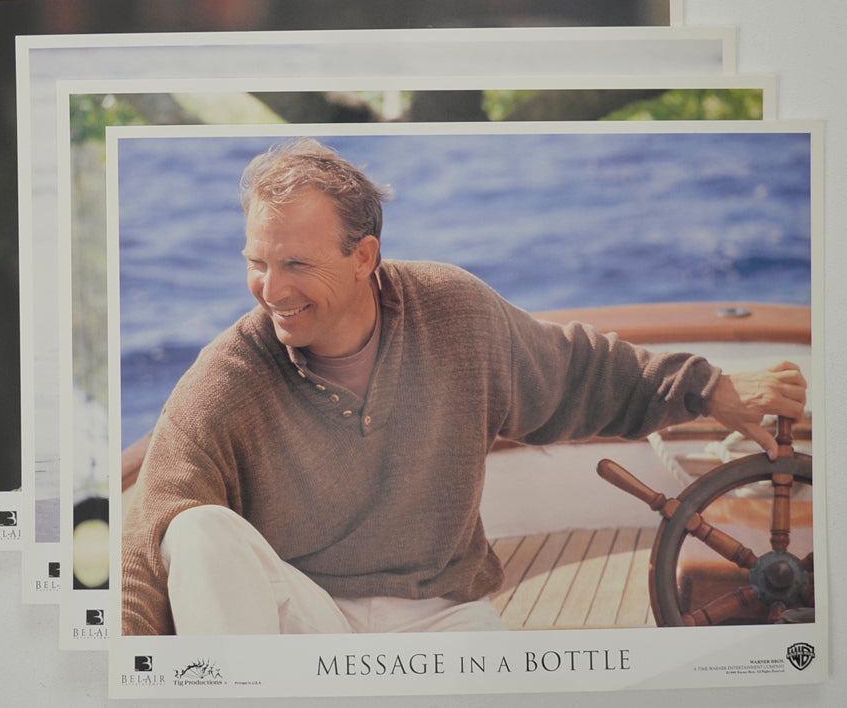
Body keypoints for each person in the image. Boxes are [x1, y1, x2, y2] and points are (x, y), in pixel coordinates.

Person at [121, 137, 807, 637]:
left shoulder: (453, 313)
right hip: (307, 626)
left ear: (365, 257)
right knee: (198, 529)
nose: (270, 290)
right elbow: (147, 533)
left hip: (443, 620)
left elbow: (579, 373)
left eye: (294, 263)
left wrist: (711, 389)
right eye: (256, 262)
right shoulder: (230, 375)